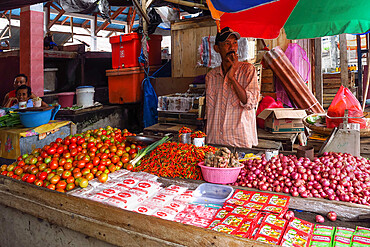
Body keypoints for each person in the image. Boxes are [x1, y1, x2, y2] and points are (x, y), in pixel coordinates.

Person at [205, 27, 260, 148]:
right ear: (217, 48)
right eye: (227, 44)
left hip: (239, 141)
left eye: (235, 43)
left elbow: (250, 103)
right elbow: (209, 111)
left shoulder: (248, 70)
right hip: (215, 140)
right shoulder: (211, 76)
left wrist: (232, 78)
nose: (232, 48)